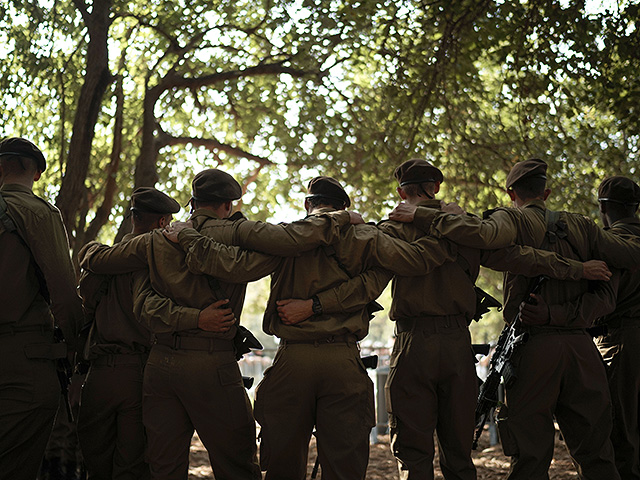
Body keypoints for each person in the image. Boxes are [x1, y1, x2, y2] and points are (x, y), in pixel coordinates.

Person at [167, 174, 607, 480]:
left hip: (293, 359)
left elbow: (228, 261)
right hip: (345, 359)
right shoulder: (373, 238)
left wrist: (188, 234)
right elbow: (419, 262)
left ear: (309, 207)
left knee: (283, 460)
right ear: (346, 208)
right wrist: (438, 223)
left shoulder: (286, 238)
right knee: (348, 463)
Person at [79, 169, 370, 480]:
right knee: (237, 464)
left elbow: (101, 264)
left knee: (163, 467)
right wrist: (339, 218)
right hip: (212, 364)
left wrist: (94, 249)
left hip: (160, 366)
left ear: (191, 203)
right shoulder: (240, 235)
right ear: (228, 206)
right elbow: (292, 240)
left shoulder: (155, 241)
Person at [389, 158, 640, 479]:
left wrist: (426, 216)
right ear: (546, 192)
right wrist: (577, 275)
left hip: (532, 349)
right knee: (598, 456)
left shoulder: (510, 220)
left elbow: (489, 241)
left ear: (511, 193)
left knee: (530, 458)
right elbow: (623, 264)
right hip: (582, 350)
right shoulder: (584, 226)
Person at [76, 187, 182, 480]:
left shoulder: (103, 261)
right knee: (133, 463)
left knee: (95, 460)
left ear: (133, 217)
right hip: (141, 370)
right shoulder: (162, 263)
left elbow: (85, 302)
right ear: (162, 224)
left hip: (100, 373)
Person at [0, 137, 83, 480]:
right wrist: (78, 349)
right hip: (23, 362)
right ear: (35, 174)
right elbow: (63, 292)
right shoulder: (37, 212)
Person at [592, 176, 640, 479]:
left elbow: (599, 302)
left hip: (621, 340)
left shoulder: (608, 243)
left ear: (603, 207)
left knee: (621, 429)